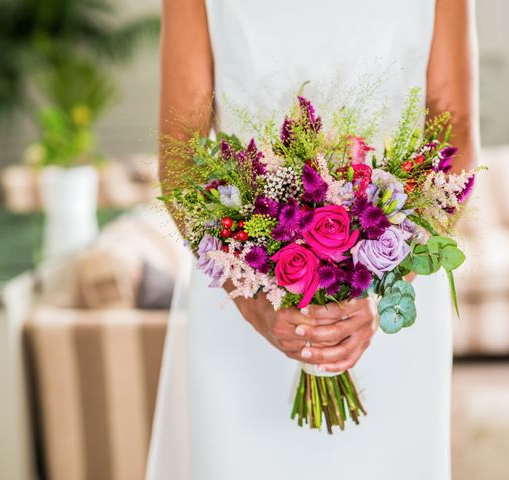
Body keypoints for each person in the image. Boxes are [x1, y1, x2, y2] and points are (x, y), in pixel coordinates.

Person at [147, 0, 479, 479]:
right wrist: (253, 297)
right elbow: (181, 151)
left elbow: (457, 131)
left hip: (388, 304)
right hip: (238, 288)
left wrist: (382, 280)